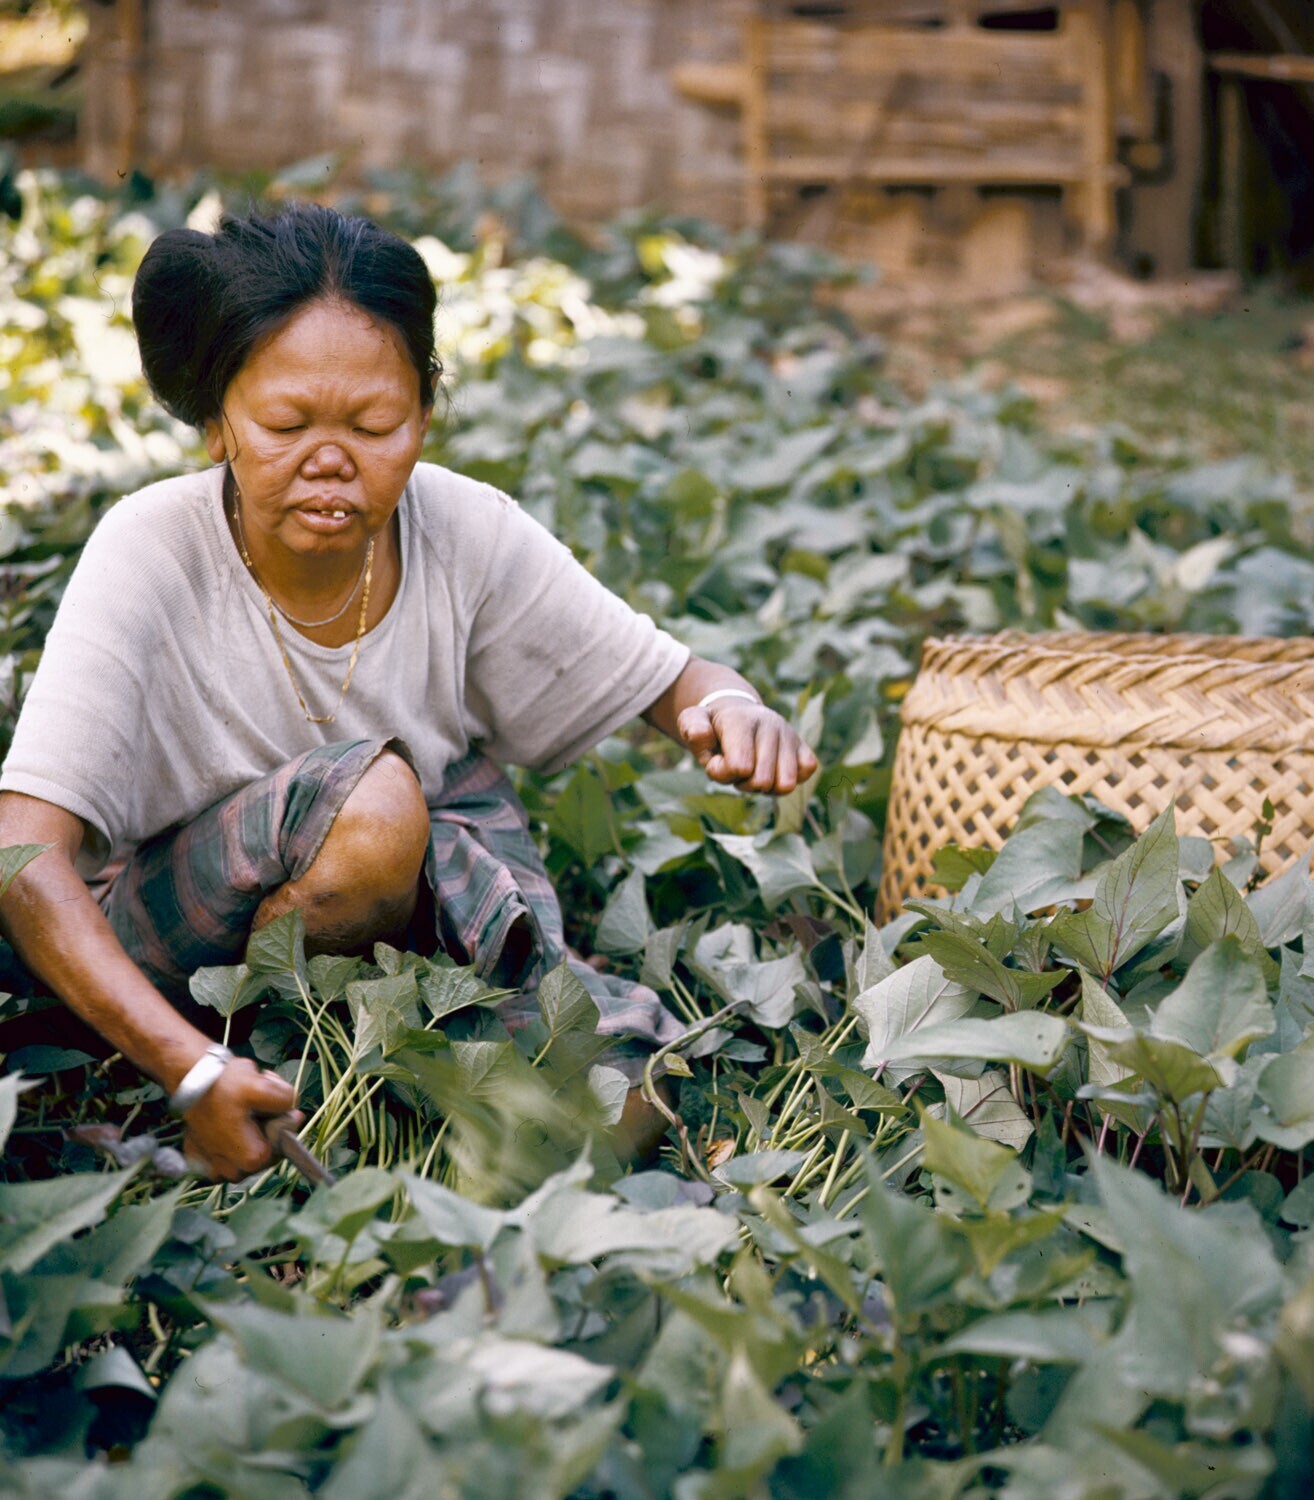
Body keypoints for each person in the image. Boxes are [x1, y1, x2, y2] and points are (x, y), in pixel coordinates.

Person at [0, 202, 817, 1182]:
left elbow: (676, 680)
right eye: (286, 424)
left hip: (391, 917)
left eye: (374, 424)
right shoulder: (150, 547)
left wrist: (729, 710)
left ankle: (348, 1070)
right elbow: (21, 855)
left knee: (627, 1092)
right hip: (170, 934)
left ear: (424, 416)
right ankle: (235, 1064)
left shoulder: (464, 531)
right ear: (217, 423)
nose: (331, 459)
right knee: (380, 809)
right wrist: (188, 1068)